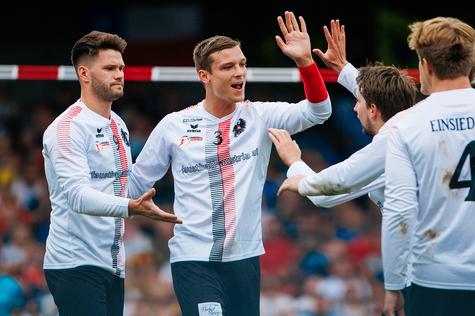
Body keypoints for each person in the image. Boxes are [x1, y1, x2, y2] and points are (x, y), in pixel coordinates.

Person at [128, 11, 332, 316]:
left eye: (242, 64)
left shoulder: (261, 115)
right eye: (228, 67)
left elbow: (319, 112)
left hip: (245, 258)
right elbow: (133, 185)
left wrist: (305, 62)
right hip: (193, 260)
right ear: (204, 76)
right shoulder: (174, 125)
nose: (240, 73)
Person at [42, 30, 182, 316]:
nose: (119, 74)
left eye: (121, 68)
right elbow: (78, 197)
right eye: (109, 68)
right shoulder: (66, 128)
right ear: (84, 73)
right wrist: (132, 208)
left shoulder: (118, 124)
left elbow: (124, 188)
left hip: (113, 264)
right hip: (74, 264)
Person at [271, 20, 416, 211]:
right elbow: (377, 96)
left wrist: (294, 162)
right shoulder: (411, 124)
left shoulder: (391, 146)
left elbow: (324, 194)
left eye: (358, 102)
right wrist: (342, 66)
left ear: (373, 110)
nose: (355, 108)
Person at [382, 17, 475, 316]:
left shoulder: (407, 125)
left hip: (436, 279)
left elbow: (400, 211)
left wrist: (394, 285)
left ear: (426, 65)